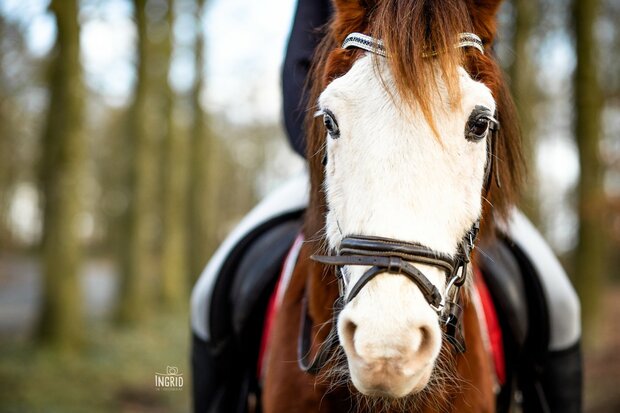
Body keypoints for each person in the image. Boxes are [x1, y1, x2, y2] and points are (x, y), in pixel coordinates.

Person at [191, 1, 582, 411]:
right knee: (210, 293)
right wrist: (327, 132)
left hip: (442, 165)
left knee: (559, 303)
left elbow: (481, 71)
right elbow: (298, 73)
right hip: (340, 161)